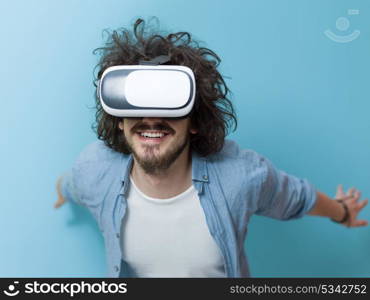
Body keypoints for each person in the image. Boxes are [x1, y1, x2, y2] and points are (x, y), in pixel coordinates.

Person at [55, 18, 368, 278]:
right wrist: (61, 190)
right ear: (119, 121)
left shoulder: (242, 176)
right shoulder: (94, 171)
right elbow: (71, 183)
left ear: (195, 120)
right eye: (136, 104)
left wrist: (341, 212)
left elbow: (297, 196)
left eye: (168, 103)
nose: (150, 118)